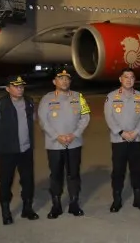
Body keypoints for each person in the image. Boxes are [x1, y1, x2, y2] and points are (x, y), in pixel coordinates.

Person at [38, 69, 91, 219]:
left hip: (74, 143)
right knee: (56, 174)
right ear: (54, 82)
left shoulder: (78, 97)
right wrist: (57, 136)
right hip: (54, 144)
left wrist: (74, 134)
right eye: (61, 79)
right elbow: (43, 121)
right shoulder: (47, 99)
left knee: (73, 174)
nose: (65, 81)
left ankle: (74, 203)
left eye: (67, 79)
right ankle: (56, 205)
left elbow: (85, 117)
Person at [0, 75, 39, 225]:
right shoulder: (0, 105)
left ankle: (27, 208)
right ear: (8, 89)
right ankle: (6, 211)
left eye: (21, 86)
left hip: (26, 149)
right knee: (5, 181)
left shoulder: (29, 102)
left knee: (28, 180)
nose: (20, 89)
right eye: (16, 86)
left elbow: (33, 119)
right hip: (7, 151)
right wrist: (6, 142)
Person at [104, 67, 140, 212]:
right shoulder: (111, 96)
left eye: (132, 77)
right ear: (120, 79)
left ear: (134, 80)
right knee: (118, 171)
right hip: (119, 140)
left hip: (135, 140)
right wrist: (121, 132)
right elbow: (109, 117)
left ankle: (138, 198)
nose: (129, 80)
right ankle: (117, 199)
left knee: (137, 169)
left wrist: (136, 132)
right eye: (126, 77)